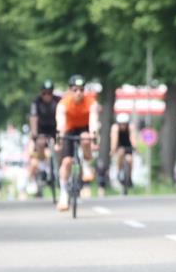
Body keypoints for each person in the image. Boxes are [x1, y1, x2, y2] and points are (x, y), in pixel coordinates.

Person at [55, 74, 100, 211]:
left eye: (81, 89)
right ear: (70, 90)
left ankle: (86, 166)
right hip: (69, 129)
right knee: (67, 162)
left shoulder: (91, 102)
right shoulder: (64, 103)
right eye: (75, 90)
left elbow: (93, 120)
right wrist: (60, 138)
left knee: (86, 138)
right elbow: (61, 123)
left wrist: (94, 136)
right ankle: (63, 194)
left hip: (84, 128)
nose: (78, 93)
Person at [27, 80, 61, 195]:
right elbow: (33, 118)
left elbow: (63, 116)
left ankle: (59, 170)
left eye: (49, 93)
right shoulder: (36, 102)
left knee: (59, 147)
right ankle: (42, 166)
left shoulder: (58, 101)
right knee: (40, 143)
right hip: (41, 129)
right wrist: (35, 134)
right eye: (44, 93)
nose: (47, 96)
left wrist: (61, 132)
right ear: (41, 93)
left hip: (55, 128)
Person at [109, 112, 135, 190]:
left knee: (130, 159)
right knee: (120, 153)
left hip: (128, 145)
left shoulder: (130, 127)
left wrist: (135, 147)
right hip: (119, 145)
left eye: (125, 124)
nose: (123, 126)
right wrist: (113, 150)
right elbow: (114, 140)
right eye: (121, 124)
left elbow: (132, 138)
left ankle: (129, 177)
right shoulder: (115, 128)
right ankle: (119, 171)